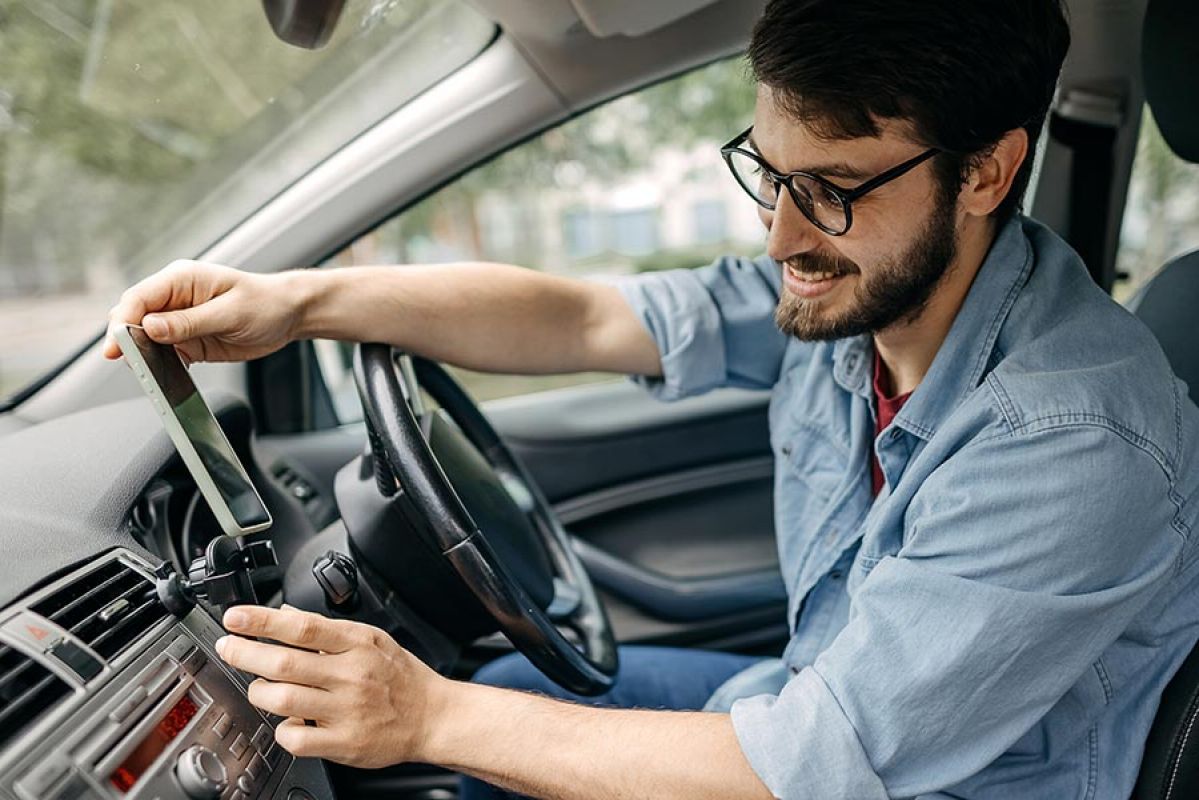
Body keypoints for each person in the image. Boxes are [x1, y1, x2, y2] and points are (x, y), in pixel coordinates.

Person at [105, 1, 1199, 797]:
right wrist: (299, 301)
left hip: (924, 782)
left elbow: (809, 765)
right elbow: (582, 318)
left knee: (459, 732)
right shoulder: (858, 292)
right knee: (480, 743)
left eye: (827, 190)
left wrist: (425, 710)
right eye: (767, 173)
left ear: (983, 174)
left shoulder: (1073, 440)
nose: (777, 236)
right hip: (806, 704)